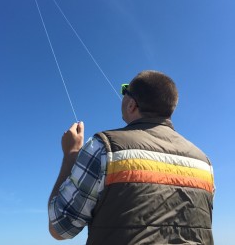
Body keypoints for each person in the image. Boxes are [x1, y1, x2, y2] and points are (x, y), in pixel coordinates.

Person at [48, 70, 214, 245]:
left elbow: (60, 228)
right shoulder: (204, 163)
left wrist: (71, 155)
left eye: (125, 91)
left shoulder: (103, 147)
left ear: (131, 105)